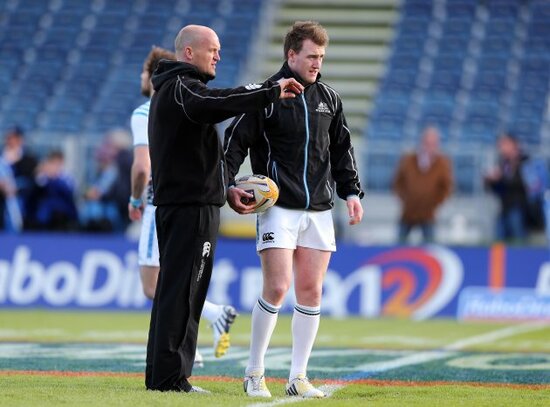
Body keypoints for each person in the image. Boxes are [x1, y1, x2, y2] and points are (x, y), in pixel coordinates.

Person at [145, 24, 303, 393]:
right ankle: (171, 379)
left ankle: (161, 375)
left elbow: (195, 153)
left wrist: (225, 189)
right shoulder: (184, 87)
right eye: (212, 49)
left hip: (184, 204)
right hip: (190, 208)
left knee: (175, 291)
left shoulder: (175, 89)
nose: (218, 55)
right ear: (189, 53)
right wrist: (269, 91)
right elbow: (217, 103)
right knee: (186, 292)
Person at [224, 21, 364, 398]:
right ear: (291, 55)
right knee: (277, 287)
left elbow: (342, 150)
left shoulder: (330, 99)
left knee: (311, 291)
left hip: (319, 208)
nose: (318, 63)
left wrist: (352, 193)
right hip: (277, 207)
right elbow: (234, 142)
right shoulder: (265, 96)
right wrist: (228, 183)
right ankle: (254, 372)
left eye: (321, 57)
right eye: (311, 56)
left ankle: (298, 377)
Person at [129, 46, 238, 368]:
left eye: (143, 72)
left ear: (151, 75)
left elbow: (141, 166)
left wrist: (135, 198)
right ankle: (183, 346)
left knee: (156, 285)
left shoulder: (146, 111)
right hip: (187, 200)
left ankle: (201, 327)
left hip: (159, 202)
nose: (141, 77)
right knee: (175, 281)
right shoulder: (185, 102)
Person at [392, 126, 453, 244]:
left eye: (433, 143)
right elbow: (398, 182)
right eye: (427, 143)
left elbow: (447, 187)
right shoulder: (408, 160)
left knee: (430, 245)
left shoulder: (442, 164)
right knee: (400, 244)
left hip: (428, 214)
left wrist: (435, 202)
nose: (429, 147)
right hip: (408, 211)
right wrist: (405, 198)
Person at [484, 133, 531, 243]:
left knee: (518, 242)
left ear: (513, 145)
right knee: (498, 243)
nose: (501, 148)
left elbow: (527, 184)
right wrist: (491, 181)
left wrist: (502, 178)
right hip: (504, 208)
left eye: (504, 144)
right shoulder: (503, 163)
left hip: (518, 209)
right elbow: (499, 189)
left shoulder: (525, 161)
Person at [27, 150, 79, 231]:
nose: (55, 166)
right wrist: (41, 173)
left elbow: (69, 192)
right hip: (45, 211)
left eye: (57, 163)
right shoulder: (44, 176)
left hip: (64, 210)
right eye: (53, 163)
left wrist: (55, 179)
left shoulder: (67, 176)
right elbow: (37, 186)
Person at [1, 126, 38, 229]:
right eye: (9, 138)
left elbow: (31, 179)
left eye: (14, 138)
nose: (11, 141)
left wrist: (15, 186)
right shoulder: (1, 157)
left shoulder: (28, 158)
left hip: (20, 197)